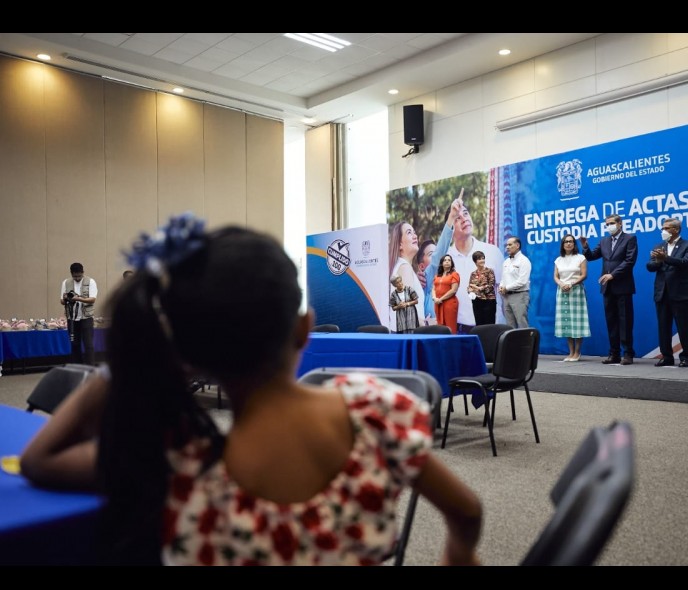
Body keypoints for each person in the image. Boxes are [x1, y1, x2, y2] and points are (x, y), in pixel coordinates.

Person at [20, 213, 483, 566]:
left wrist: (127, 365)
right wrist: (459, 554)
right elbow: (466, 512)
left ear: (190, 356)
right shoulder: (376, 412)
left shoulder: (180, 462)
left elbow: (41, 460)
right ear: (304, 328)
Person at [580, 214, 638, 365]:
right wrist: (585, 246)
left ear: (620, 224)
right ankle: (614, 354)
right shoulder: (604, 241)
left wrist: (613, 275)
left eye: (611, 223)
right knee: (611, 322)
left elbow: (629, 261)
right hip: (607, 288)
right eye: (607, 224)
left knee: (625, 321)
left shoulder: (630, 238)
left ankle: (628, 353)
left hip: (623, 286)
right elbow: (591, 256)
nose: (609, 226)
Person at [646, 217, 688, 368]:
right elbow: (650, 266)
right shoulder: (659, 246)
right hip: (662, 293)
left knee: (683, 327)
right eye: (662, 228)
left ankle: (686, 357)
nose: (663, 231)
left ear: (676, 229)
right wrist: (658, 261)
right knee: (663, 327)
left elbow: (685, 263)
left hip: (680, 293)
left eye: (666, 228)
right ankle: (666, 356)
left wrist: (665, 258)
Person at [447, 200, 504, 332]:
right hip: (460, 331)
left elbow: (504, 294)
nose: (464, 219)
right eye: (457, 218)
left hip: (491, 330)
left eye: (466, 214)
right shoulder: (446, 258)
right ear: (450, 228)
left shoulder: (492, 252)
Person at [416, 196, 462, 325]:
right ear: (421, 267)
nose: (439, 257)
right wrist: (451, 217)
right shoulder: (425, 281)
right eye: (431, 254)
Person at [553, 235, 590, 361]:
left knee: (577, 322)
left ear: (574, 244)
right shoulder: (558, 260)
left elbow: (584, 275)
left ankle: (577, 352)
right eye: (566, 242)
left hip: (576, 291)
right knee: (567, 322)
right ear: (563, 244)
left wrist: (571, 284)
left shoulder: (580, 257)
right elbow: (555, 276)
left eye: (571, 241)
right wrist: (561, 284)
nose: (568, 244)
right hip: (562, 291)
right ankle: (571, 352)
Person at [60, 262, 98, 365]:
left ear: (83, 272)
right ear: (71, 273)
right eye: (75, 276)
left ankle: (90, 367)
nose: (77, 278)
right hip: (72, 318)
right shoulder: (66, 282)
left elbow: (92, 299)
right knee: (75, 344)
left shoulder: (90, 281)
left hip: (86, 317)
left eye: (79, 276)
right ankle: (78, 367)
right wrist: (66, 299)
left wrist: (78, 299)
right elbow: (62, 301)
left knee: (88, 345)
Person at [388, 221, 425, 328]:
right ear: (400, 244)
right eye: (409, 232)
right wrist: (428, 323)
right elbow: (408, 314)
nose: (415, 236)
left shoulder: (401, 267)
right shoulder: (405, 268)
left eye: (414, 232)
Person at [498, 236, 531, 328]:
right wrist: (501, 287)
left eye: (510, 245)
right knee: (510, 326)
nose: (507, 247)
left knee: (522, 323)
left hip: (519, 296)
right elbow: (503, 278)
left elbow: (522, 281)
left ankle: (525, 339)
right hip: (506, 296)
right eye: (506, 245)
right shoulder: (506, 262)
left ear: (517, 245)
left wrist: (506, 288)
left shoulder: (524, 260)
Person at [432, 254, 460, 334]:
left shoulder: (454, 274)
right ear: (441, 263)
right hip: (438, 303)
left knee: (450, 326)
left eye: (449, 260)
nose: (447, 262)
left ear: (451, 263)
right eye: (445, 260)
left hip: (449, 303)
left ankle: (451, 341)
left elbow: (453, 290)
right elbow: (433, 288)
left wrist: (440, 299)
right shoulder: (437, 276)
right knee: (440, 327)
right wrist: (434, 298)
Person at [467, 250, 496, 326]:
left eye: (483, 258)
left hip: (488, 301)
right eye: (479, 259)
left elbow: (491, 286)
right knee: (479, 324)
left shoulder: (489, 271)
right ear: (475, 261)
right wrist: (470, 291)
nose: (482, 260)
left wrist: (478, 288)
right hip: (476, 302)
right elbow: (470, 288)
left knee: (489, 325)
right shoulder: (473, 274)